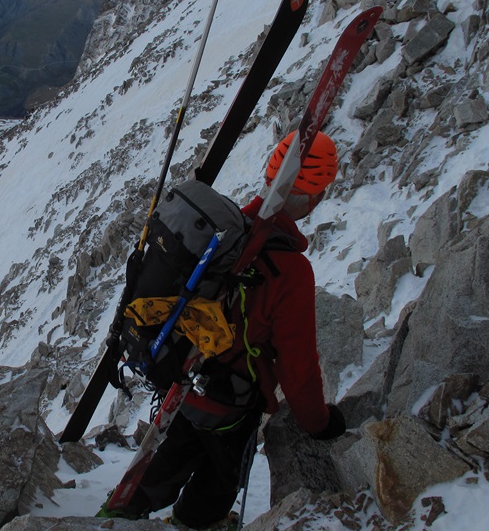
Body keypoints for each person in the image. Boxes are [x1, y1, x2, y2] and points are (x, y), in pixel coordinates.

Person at [104, 130, 347, 529]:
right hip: (234, 400)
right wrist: (319, 424)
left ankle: (126, 512)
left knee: (177, 451)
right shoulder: (292, 271)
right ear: (317, 196)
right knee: (220, 478)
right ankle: (192, 524)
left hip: (183, 375)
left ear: (271, 177)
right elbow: (298, 366)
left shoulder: (228, 232)